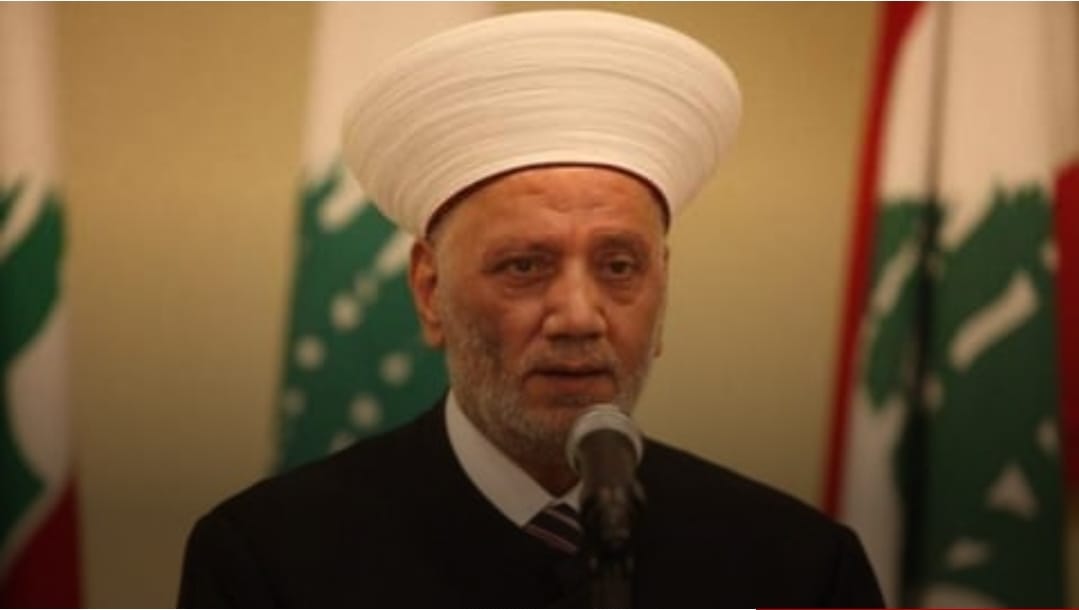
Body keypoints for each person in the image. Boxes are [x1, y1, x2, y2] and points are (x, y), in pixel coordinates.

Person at [178, 10, 884, 608]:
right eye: (524, 266)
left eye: (618, 267)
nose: (578, 317)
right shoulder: (271, 562)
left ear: (662, 289)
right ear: (429, 291)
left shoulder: (797, 568)